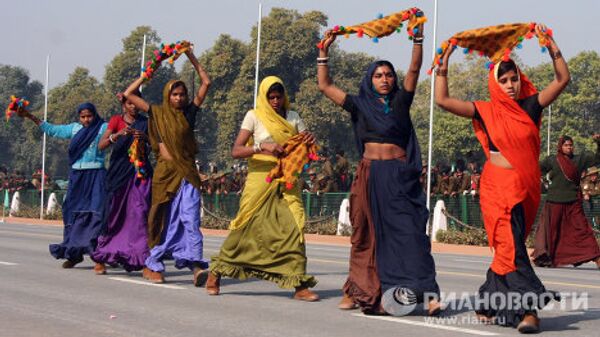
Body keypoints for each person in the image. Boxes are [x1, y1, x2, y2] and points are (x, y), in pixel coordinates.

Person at [434, 23, 568, 333]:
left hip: (522, 187)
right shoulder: (485, 110)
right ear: (495, 83)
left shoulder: (530, 107)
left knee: (510, 247)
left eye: (514, 79)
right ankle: (529, 309)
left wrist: (552, 46)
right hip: (495, 188)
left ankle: (488, 301)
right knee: (510, 247)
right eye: (504, 80)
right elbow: (443, 100)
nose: (510, 85)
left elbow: (563, 79)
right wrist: (443, 66)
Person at [318, 20, 441, 316]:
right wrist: (323, 51)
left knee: (412, 234)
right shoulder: (359, 104)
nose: (384, 79)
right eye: (378, 75)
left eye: (387, 75)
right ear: (369, 80)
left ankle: (428, 295)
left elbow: (413, 70)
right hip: (371, 177)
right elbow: (325, 85)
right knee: (366, 235)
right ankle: (359, 289)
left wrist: (418, 40)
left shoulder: (401, 102)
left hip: (399, 177)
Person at [207, 76, 319, 301]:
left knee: (296, 228)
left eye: (279, 96)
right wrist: (262, 147)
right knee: (245, 228)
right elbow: (236, 151)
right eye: (271, 97)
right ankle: (216, 272)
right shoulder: (254, 116)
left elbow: (309, 151)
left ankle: (299, 284)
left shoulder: (294, 117)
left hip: (287, 182)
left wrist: (310, 140)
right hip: (260, 180)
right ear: (264, 97)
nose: (276, 101)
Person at [123, 47, 211, 285]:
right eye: (175, 95)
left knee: (190, 219)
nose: (180, 98)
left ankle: (196, 266)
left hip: (187, 176)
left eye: (182, 94)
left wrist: (191, 56)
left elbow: (206, 82)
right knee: (161, 220)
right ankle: (154, 262)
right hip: (165, 175)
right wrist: (152, 68)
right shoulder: (157, 112)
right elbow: (129, 93)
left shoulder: (189, 114)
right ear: (167, 96)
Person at [20, 103, 107, 268]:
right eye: (83, 117)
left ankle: (99, 257)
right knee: (71, 213)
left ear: (95, 115)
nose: (87, 120)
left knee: (97, 213)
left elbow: (119, 129)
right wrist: (29, 116)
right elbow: (52, 130)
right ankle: (74, 253)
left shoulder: (103, 128)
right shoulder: (74, 129)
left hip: (96, 176)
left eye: (89, 116)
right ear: (79, 117)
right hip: (77, 177)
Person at [90, 90, 152, 274]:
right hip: (118, 174)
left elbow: (156, 145)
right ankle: (101, 256)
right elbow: (101, 145)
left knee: (140, 214)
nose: (133, 106)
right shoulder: (116, 120)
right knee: (114, 215)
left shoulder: (146, 122)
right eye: (130, 103)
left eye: (136, 103)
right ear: (124, 104)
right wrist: (117, 135)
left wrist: (145, 138)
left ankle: (142, 258)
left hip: (140, 173)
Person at [531, 135, 600, 269]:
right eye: (566, 145)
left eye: (570, 145)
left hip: (573, 201)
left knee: (583, 229)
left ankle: (596, 256)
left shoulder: (579, 159)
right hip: (554, 201)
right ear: (560, 147)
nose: (569, 148)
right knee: (553, 231)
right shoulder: (552, 159)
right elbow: (537, 169)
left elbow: (597, 159)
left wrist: (598, 142)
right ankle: (548, 257)